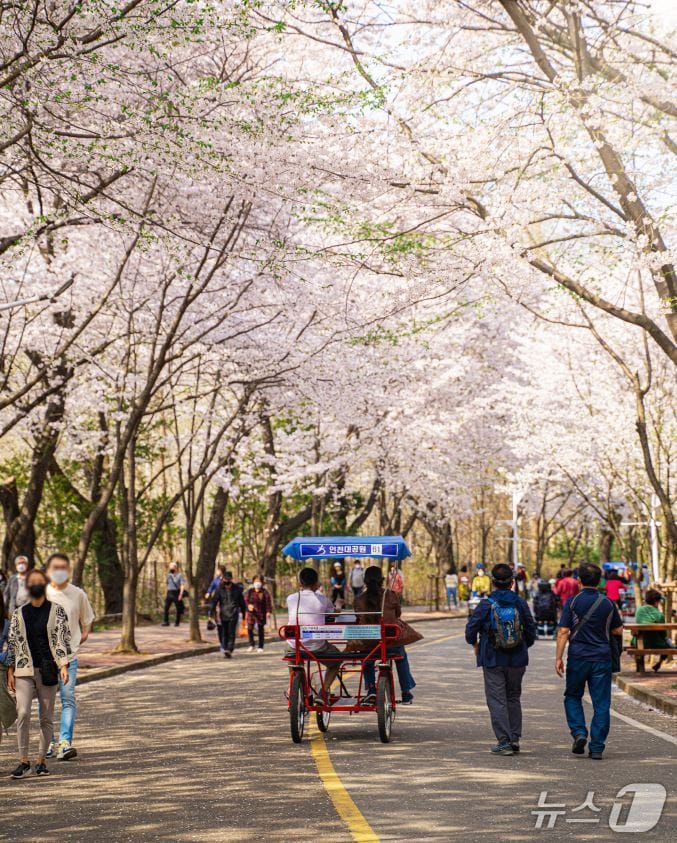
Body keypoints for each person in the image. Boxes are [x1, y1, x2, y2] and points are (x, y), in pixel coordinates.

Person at [465, 563, 536, 756]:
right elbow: (531, 629)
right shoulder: (520, 603)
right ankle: (514, 738)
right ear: (512, 582)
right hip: (517, 659)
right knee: (513, 697)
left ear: (493, 583)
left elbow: (470, 630)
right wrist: (521, 646)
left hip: (492, 658)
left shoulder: (486, 604)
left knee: (497, 699)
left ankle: (503, 741)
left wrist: (475, 645)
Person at [6, 568, 70, 779]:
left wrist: (63, 665)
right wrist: (10, 669)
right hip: (23, 669)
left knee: (46, 716)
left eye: (38, 581)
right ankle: (23, 761)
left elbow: (62, 639)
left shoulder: (57, 610)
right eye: (31, 581)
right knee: (23, 712)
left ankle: (41, 760)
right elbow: (13, 642)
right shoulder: (18, 613)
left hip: (48, 670)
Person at [556, 562, 623, 760]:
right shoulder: (608, 603)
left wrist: (558, 657)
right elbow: (618, 630)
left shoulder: (573, 602)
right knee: (601, 704)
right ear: (599, 581)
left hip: (578, 658)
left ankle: (579, 732)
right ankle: (597, 747)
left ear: (579, 581)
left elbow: (563, 631)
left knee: (572, 696)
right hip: (602, 659)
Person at [44, 552, 94, 761]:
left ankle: (65, 743)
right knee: (46, 701)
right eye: (55, 567)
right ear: (48, 570)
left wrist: (82, 636)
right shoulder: (42, 593)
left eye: (64, 567)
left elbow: (87, 618)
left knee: (68, 698)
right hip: (45, 657)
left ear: (69, 570)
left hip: (70, 656)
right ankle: (48, 741)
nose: (60, 571)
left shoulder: (78, 594)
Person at [356, 566, 420, 704]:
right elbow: (398, 614)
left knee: (366, 659)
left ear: (365, 581)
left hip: (370, 645)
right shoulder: (391, 595)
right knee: (401, 656)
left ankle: (371, 689)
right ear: (382, 580)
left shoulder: (359, 599)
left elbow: (358, 617)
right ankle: (406, 691)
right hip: (390, 643)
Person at [286, 567, 343, 700]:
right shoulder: (322, 600)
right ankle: (323, 692)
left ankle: (292, 684)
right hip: (317, 646)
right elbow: (334, 613)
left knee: (292, 655)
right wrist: (339, 605)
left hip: (295, 645)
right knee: (337, 660)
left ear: (300, 582)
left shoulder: (291, 598)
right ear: (316, 583)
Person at [634, 589, 672, 673]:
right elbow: (663, 634)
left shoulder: (639, 611)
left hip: (639, 642)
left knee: (638, 642)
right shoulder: (659, 615)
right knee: (668, 644)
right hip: (657, 643)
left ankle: (639, 666)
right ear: (656, 601)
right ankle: (659, 662)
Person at [210, 571, 246, 658]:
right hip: (223, 614)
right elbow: (214, 601)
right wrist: (212, 613)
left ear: (231, 579)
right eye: (225, 579)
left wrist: (244, 613)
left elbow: (242, 602)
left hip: (233, 613)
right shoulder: (219, 589)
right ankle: (226, 648)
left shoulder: (237, 589)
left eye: (228, 579)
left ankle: (229, 649)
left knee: (231, 632)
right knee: (224, 632)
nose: (226, 581)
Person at [245, 576, 273, 653]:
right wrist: (248, 605)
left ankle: (260, 646)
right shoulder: (250, 591)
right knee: (249, 628)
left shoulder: (264, 592)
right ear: (253, 582)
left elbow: (268, 603)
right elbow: (246, 600)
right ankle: (251, 645)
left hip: (261, 613)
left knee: (261, 630)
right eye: (256, 581)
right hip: (252, 613)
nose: (257, 583)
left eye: (259, 581)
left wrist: (268, 612)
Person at [162, 562, 186, 627]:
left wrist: (180, 594)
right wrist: (166, 593)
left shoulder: (180, 575)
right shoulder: (169, 575)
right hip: (169, 592)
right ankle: (165, 621)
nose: (170, 569)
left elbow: (182, 585)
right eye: (170, 568)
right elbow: (167, 584)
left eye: (171, 568)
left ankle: (177, 622)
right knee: (166, 607)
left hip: (176, 593)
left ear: (175, 568)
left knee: (178, 608)